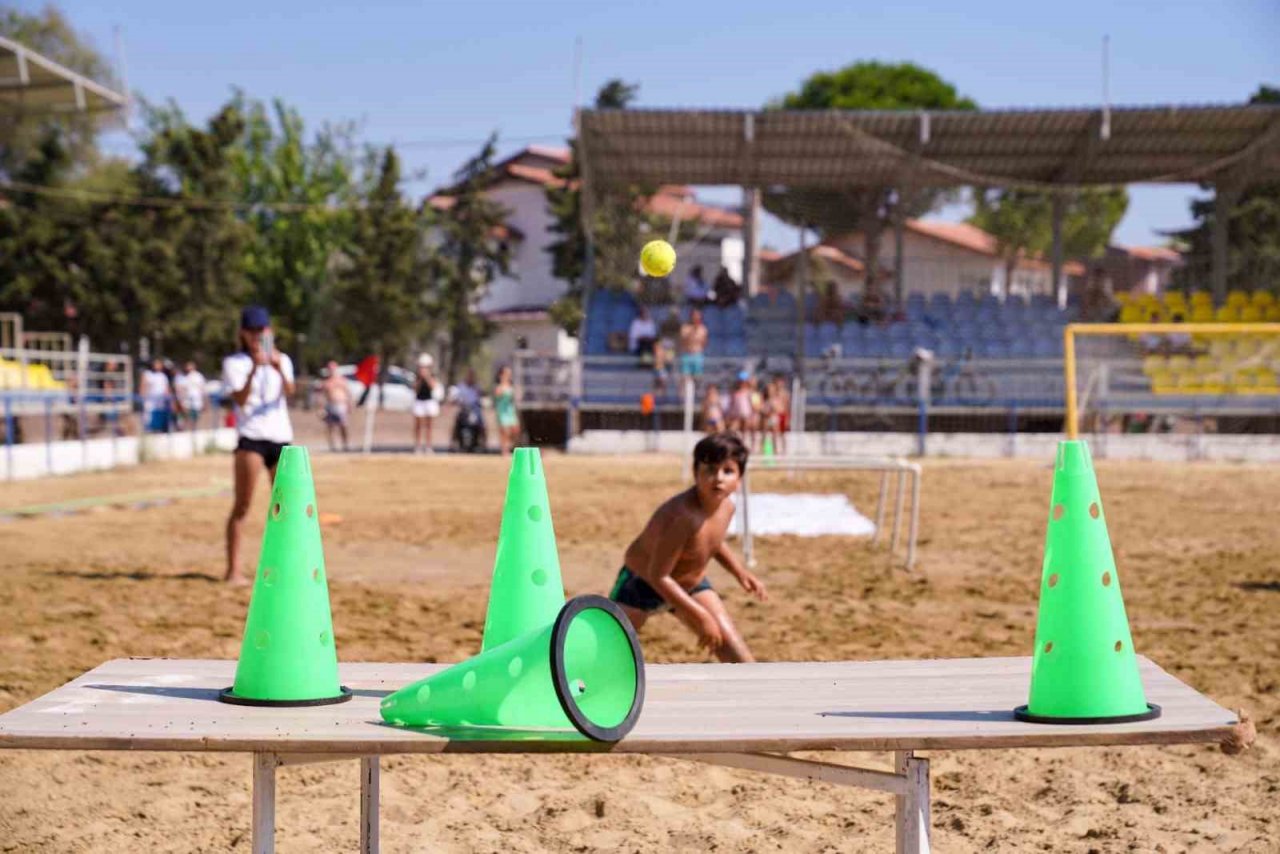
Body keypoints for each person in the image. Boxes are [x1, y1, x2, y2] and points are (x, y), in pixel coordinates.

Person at [607, 432, 766, 662]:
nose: (718, 478)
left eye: (728, 471)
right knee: (606, 650)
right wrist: (701, 616)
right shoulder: (683, 516)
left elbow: (712, 541)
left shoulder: (726, 508)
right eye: (710, 470)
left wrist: (740, 572)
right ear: (695, 473)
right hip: (641, 584)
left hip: (689, 583)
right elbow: (658, 575)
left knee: (737, 655)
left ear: (739, 478)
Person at [222, 305, 295, 586]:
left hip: (280, 437)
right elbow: (240, 399)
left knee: (284, 507)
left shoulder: (282, 359)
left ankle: (282, 567)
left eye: (261, 330)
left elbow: (290, 391)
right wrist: (254, 368)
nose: (257, 336)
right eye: (252, 331)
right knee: (243, 504)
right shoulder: (235, 363)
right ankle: (233, 570)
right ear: (243, 333)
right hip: (252, 437)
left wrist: (276, 367)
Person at [412, 354, 440, 454]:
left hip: (429, 401)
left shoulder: (432, 375)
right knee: (418, 425)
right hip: (419, 401)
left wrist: (427, 377)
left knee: (429, 426)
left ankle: (428, 446)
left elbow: (433, 387)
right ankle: (418, 446)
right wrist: (420, 378)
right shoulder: (417, 376)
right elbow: (415, 389)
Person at [321, 360, 351, 452]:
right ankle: (332, 446)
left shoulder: (342, 380)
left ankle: (345, 445)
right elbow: (323, 396)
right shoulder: (327, 382)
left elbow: (348, 393)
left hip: (341, 405)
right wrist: (321, 408)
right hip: (330, 405)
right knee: (330, 427)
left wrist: (349, 405)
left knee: (343, 426)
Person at [493, 365, 520, 455]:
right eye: (506, 373)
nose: (508, 375)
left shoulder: (511, 386)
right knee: (505, 431)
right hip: (502, 411)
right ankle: (505, 451)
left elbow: (515, 398)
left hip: (510, 411)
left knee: (515, 430)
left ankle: (510, 447)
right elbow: (497, 395)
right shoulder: (499, 387)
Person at [140, 358, 171, 434]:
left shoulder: (163, 376)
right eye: (157, 364)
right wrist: (142, 396)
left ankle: (159, 430)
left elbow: (166, 388)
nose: (158, 366)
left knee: (160, 415)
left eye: (160, 364)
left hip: (160, 400)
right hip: (150, 400)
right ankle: (148, 430)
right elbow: (143, 385)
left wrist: (168, 398)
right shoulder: (148, 374)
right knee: (148, 416)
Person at [728, 372, 757, 450]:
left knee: (746, 431)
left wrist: (753, 415)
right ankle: (736, 445)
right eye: (740, 382)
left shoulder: (749, 392)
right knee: (732, 429)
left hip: (747, 414)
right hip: (737, 415)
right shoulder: (735, 392)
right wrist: (730, 415)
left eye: (743, 382)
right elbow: (732, 404)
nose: (742, 383)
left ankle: (750, 446)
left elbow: (753, 404)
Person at [174, 361, 206, 431]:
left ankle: (193, 429)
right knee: (187, 416)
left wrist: (204, 400)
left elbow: (202, 388)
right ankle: (185, 429)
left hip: (197, 400)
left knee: (196, 416)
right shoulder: (183, 377)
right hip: (186, 400)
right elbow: (181, 389)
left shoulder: (198, 376)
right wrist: (181, 400)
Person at [679, 308, 709, 381]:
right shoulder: (685, 328)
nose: (696, 317)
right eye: (695, 316)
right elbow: (683, 341)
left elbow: (705, 343)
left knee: (697, 378)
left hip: (697, 355)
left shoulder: (703, 329)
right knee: (685, 378)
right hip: (687, 355)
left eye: (698, 316)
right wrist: (692, 331)